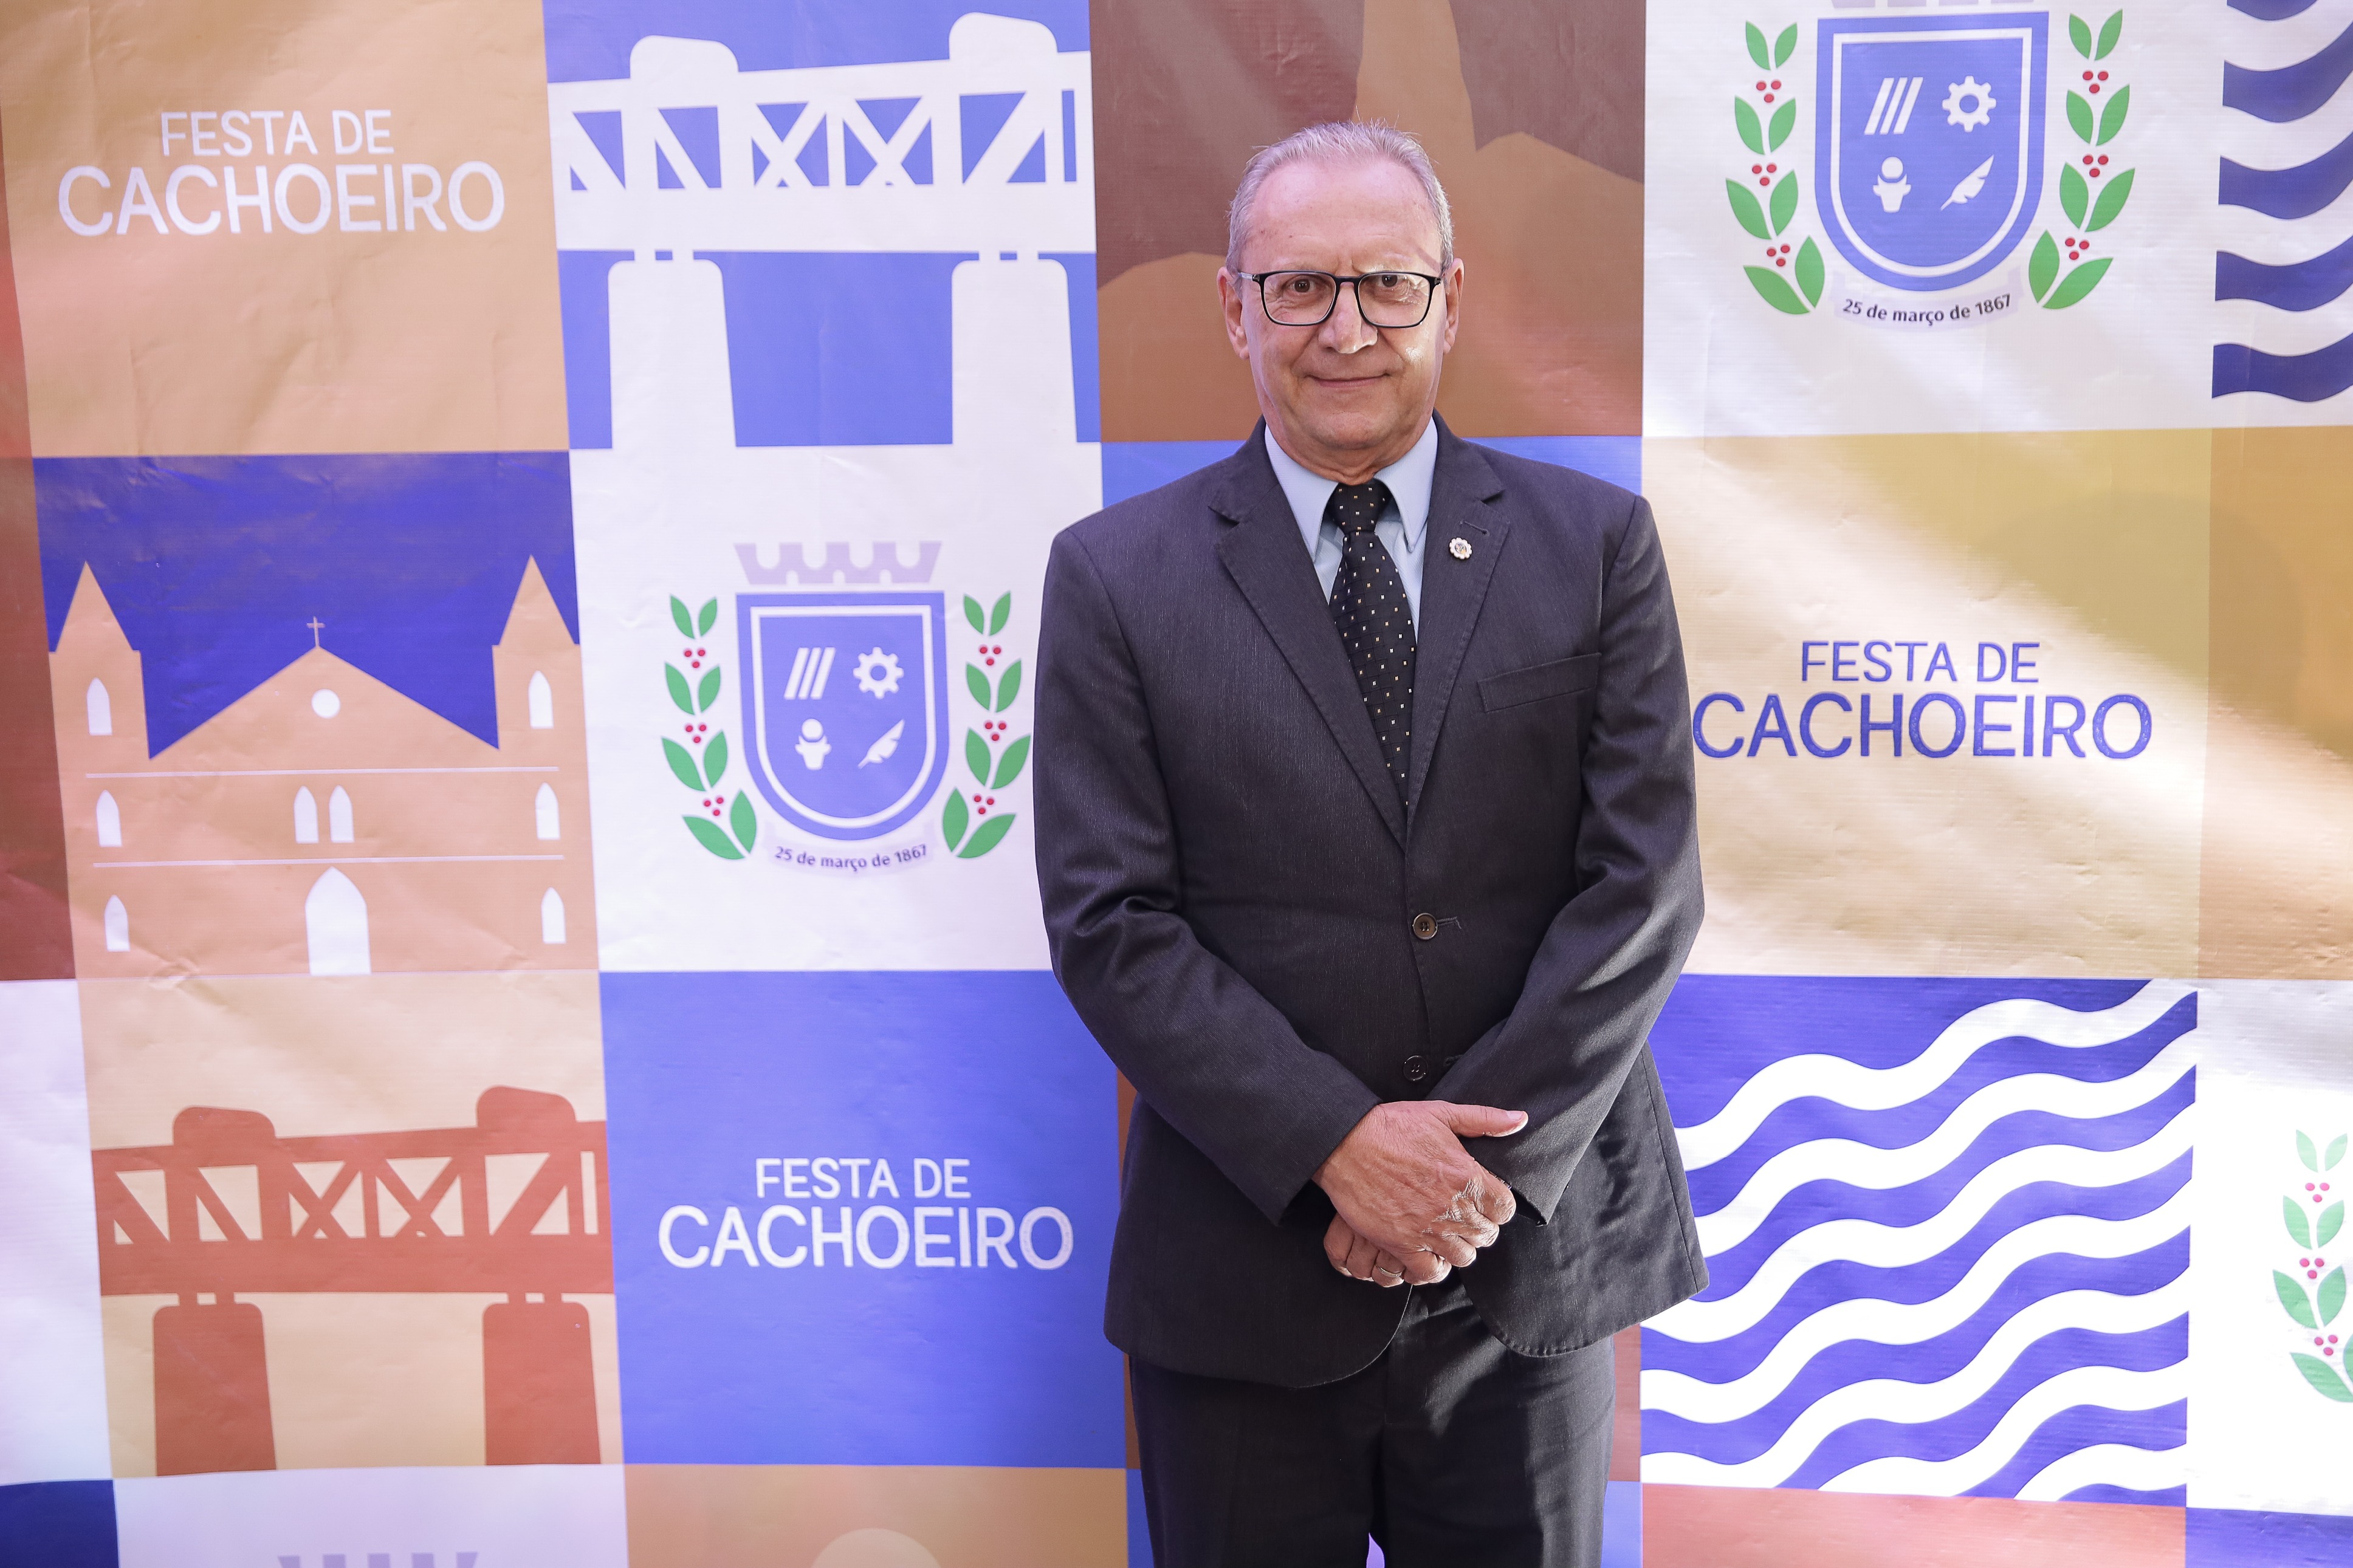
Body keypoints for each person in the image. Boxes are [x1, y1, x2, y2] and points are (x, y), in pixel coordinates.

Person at [1034, 120, 1705, 1566]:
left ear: (1449, 301)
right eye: (1298, 286)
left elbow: (1642, 889)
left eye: (1388, 283)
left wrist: (1461, 1179)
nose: (1346, 329)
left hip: (1521, 1272)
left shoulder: (1595, 545)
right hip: (1245, 1274)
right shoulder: (1114, 577)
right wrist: (1337, 1145)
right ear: (1234, 308)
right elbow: (1110, 923)